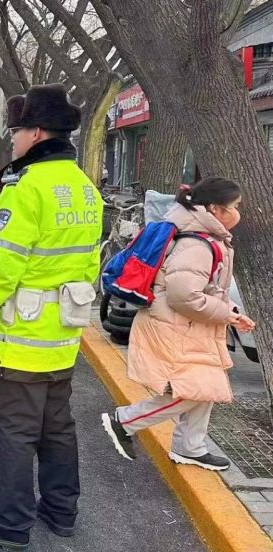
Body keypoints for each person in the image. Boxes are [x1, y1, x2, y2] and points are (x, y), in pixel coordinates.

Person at [0, 84, 102, 549]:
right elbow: (89, 263)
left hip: (21, 337)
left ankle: (10, 524)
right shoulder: (84, 187)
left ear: (36, 133)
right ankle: (61, 511)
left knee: (17, 433)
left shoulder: (25, 188)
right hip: (63, 336)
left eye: (16, 132)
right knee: (58, 428)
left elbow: (2, 268)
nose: (13, 140)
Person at [101, 177, 254, 470]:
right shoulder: (197, 244)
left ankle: (190, 447)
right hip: (176, 328)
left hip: (189, 327)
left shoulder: (205, 238)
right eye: (235, 206)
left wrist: (231, 312)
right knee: (196, 390)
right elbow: (184, 296)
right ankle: (124, 421)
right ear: (215, 209)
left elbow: (209, 290)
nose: (238, 212)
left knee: (204, 387)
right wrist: (226, 314)